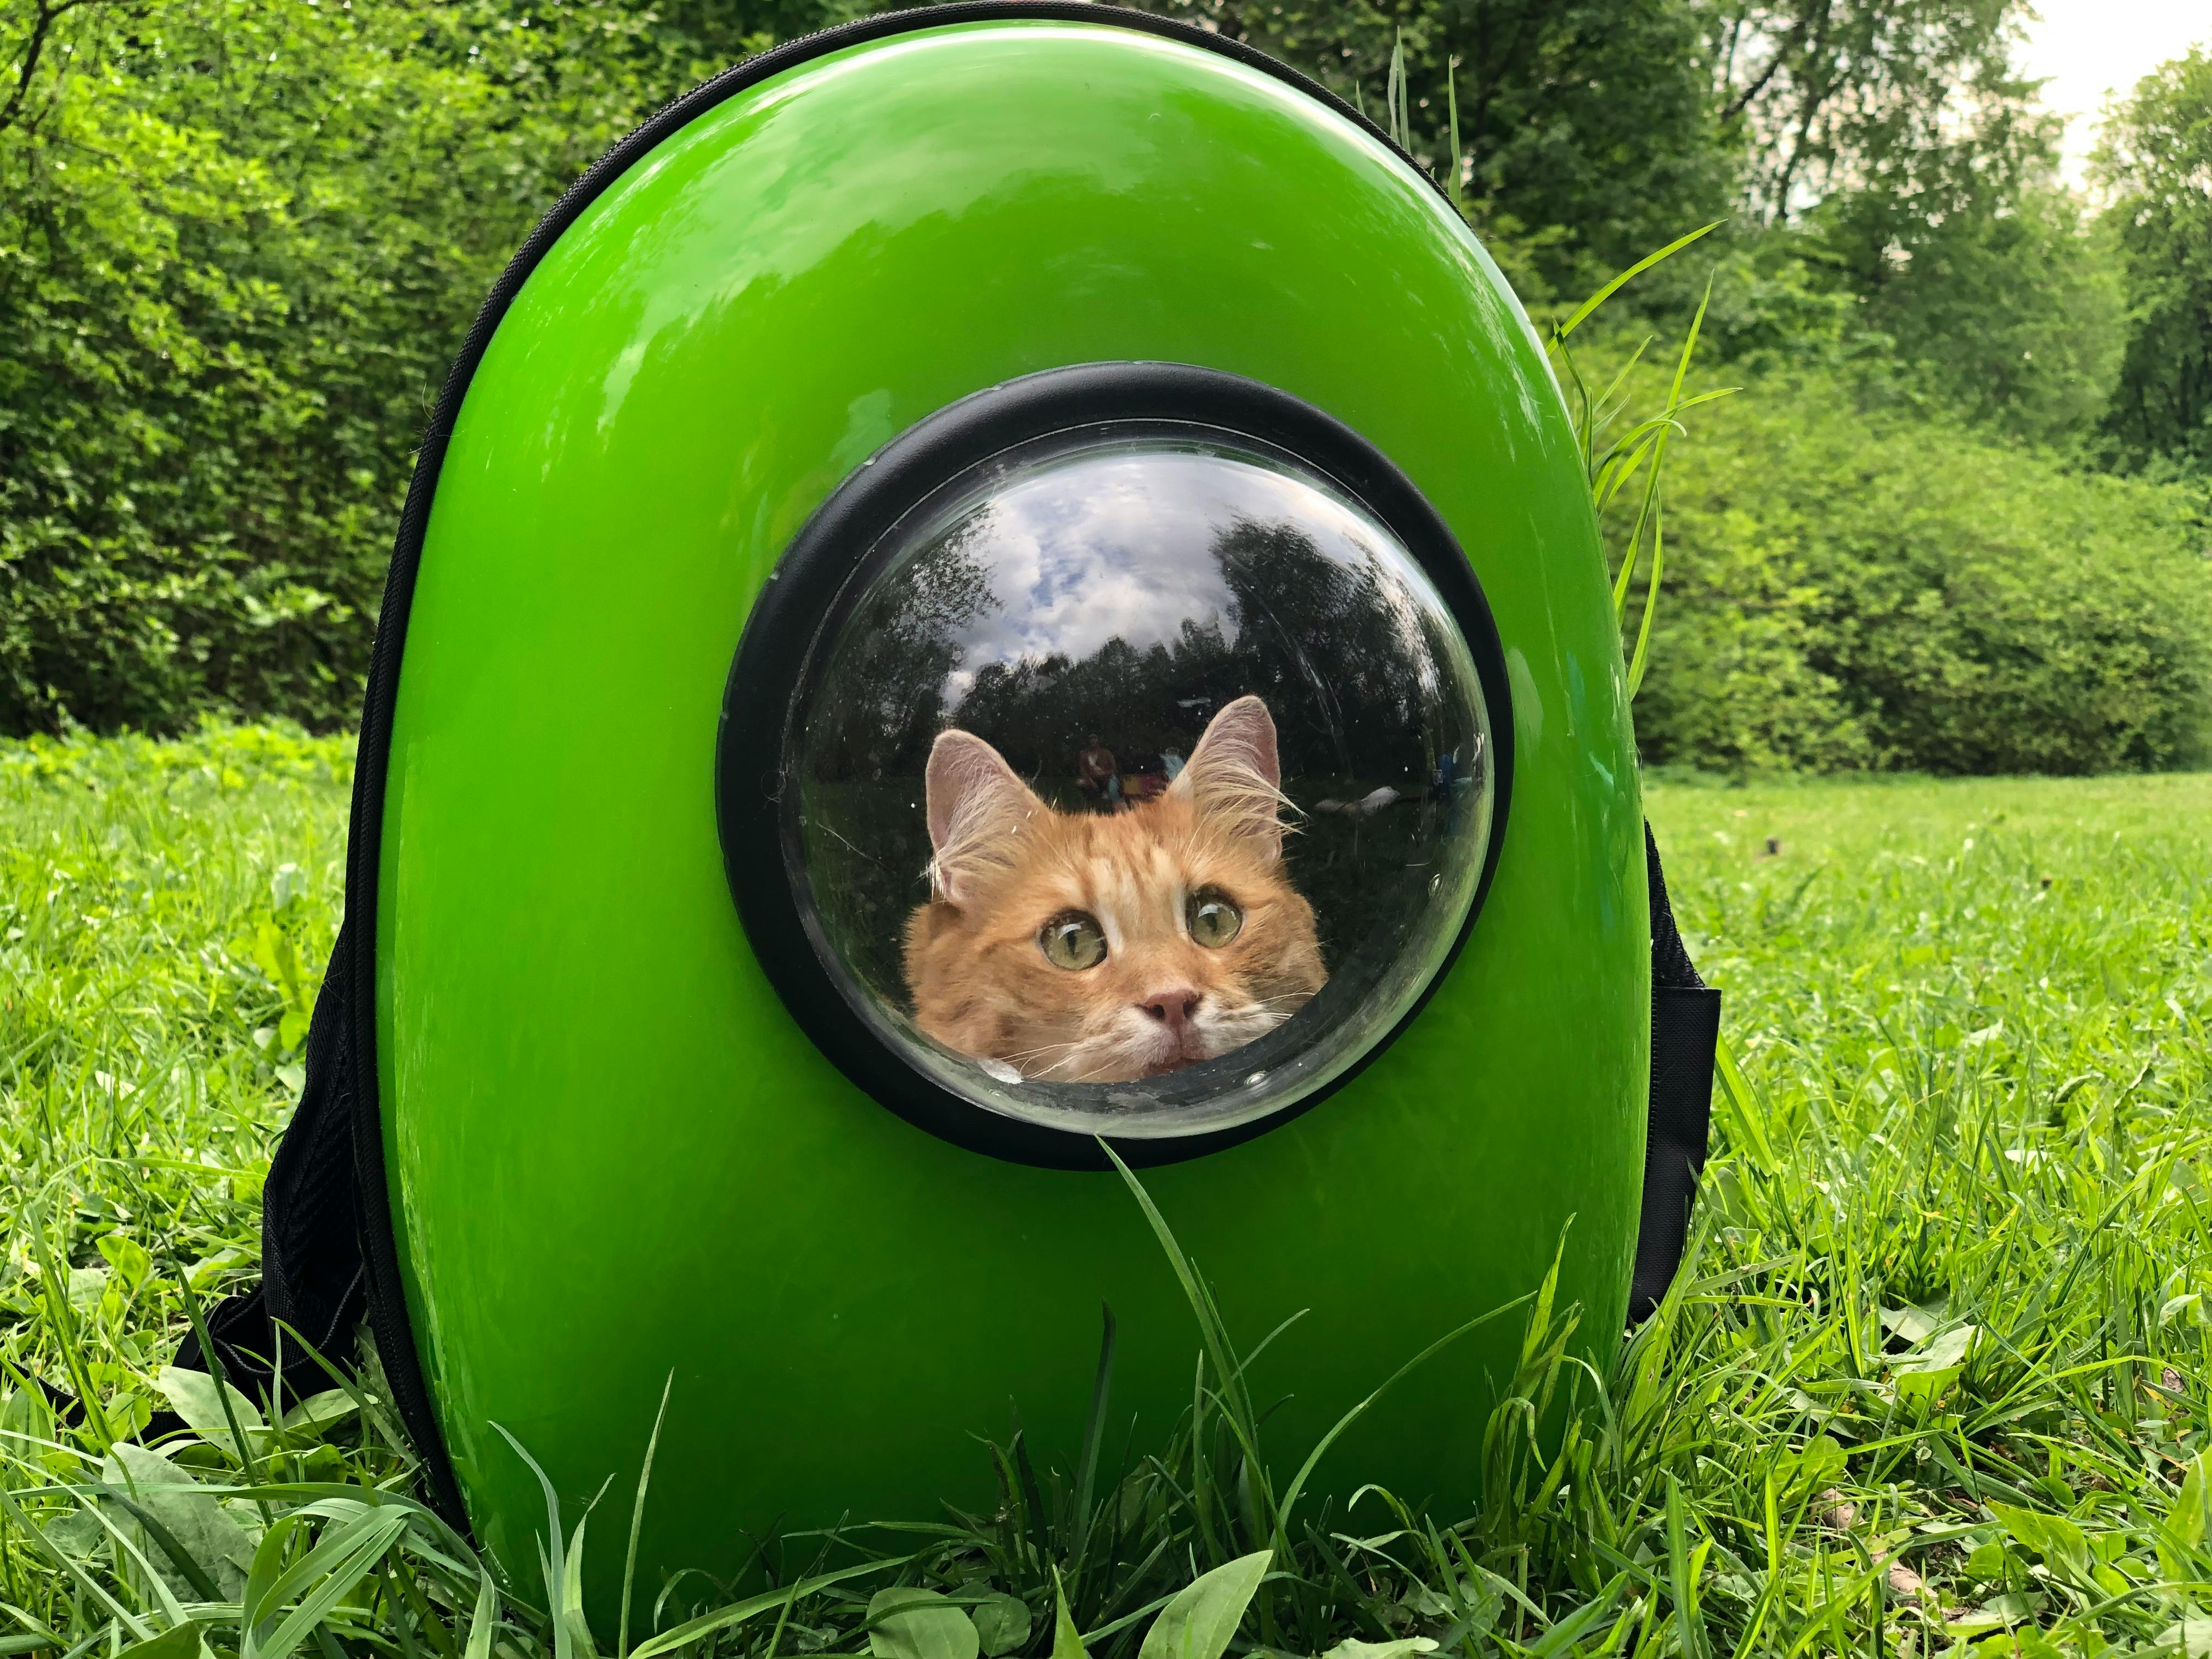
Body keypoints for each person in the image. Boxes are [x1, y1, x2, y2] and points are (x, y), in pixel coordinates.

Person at [1077, 735, 1118, 809]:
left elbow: (1114, 769)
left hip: (1105, 780)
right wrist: (1091, 782)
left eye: (1095, 738)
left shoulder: (1106, 753)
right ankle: (1089, 801)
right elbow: (1083, 771)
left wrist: (1104, 773)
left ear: (1098, 740)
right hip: (1091, 780)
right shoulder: (1084, 754)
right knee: (1080, 783)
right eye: (1091, 739)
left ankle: (1105, 795)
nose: (1093, 741)